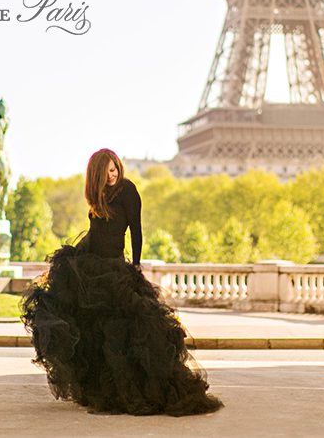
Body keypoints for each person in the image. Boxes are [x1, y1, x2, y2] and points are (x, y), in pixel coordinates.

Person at [19, 148, 224, 416]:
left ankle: (136, 392)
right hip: (94, 265)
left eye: (115, 169)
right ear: (97, 175)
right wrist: (73, 261)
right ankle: (105, 394)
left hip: (116, 268)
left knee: (124, 332)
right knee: (93, 329)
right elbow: (95, 233)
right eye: (107, 172)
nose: (113, 175)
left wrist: (136, 265)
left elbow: (136, 230)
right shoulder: (98, 195)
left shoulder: (128, 190)